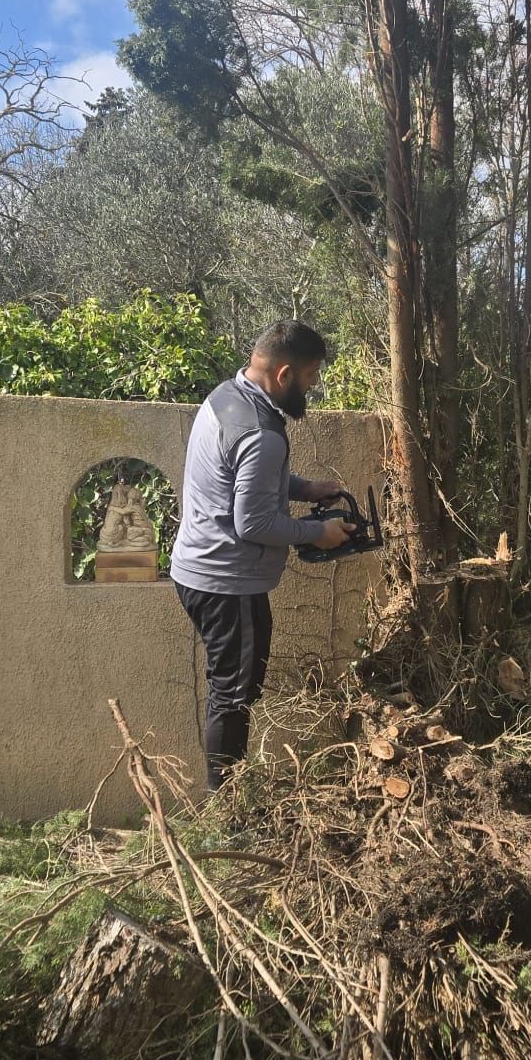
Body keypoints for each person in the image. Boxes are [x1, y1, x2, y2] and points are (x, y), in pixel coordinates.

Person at [171, 321, 350, 791]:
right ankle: (223, 810)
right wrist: (318, 533)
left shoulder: (226, 397)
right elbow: (253, 523)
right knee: (233, 696)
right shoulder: (263, 433)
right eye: (311, 376)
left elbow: (241, 474)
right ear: (285, 372)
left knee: (229, 688)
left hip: (197, 571)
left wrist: (305, 488)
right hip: (228, 585)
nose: (312, 386)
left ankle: (223, 798)